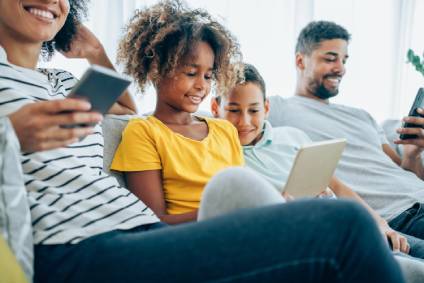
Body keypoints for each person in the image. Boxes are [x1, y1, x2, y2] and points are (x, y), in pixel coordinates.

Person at [0, 0, 407, 282]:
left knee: (336, 228)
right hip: (75, 248)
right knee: (346, 226)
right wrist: (12, 133)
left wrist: (94, 50)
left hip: (136, 233)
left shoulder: (63, 83)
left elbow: (123, 109)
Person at [212, 62, 412, 252]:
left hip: (350, 223)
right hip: (314, 237)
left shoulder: (292, 136)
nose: (244, 121)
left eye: (254, 110)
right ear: (215, 109)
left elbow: (338, 187)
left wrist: (380, 223)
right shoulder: (219, 156)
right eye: (233, 110)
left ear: (266, 108)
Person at [267, 20, 424, 259]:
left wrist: (412, 154)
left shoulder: (362, 116)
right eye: (330, 59)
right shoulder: (277, 109)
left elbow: (399, 170)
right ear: (300, 61)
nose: (340, 68)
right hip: (399, 216)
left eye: (344, 60)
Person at [110, 0, 246, 224]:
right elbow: (152, 222)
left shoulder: (225, 130)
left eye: (208, 76)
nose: (202, 85)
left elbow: (241, 191)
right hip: (195, 237)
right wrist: (224, 212)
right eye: (191, 73)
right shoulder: (144, 132)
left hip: (240, 226)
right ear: (156, 70)